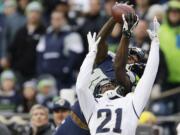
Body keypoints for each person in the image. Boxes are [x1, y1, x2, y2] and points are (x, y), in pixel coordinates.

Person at [76, 16, 160, 135]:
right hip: (88, 105)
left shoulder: (131, 82)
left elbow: (120, 69)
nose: (130, 59)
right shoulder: (108, 60)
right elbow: (99, 43)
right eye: (129, 55)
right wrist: (114, 17)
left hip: (93, 106)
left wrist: (127, 34)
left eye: (134, 59)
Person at [36, 11, 83, 89]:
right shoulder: (45, 37)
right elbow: (39, 57)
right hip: (48, 79)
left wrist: (66, 70)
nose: (55, 21)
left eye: (58, 19)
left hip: (65, 79)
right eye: (53, 19)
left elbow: (75, 57)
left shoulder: (72, 35)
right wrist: (41, 73)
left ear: (64, 20)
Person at [8, 1, 45, 83]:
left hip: (36, 72)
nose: (34, 15)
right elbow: (12, 50)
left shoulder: (44, 32)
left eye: (37, 12)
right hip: (19, 72)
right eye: (31, 12)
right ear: (26, 14)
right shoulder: (20, 31)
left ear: (40, 15)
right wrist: (14, 66)